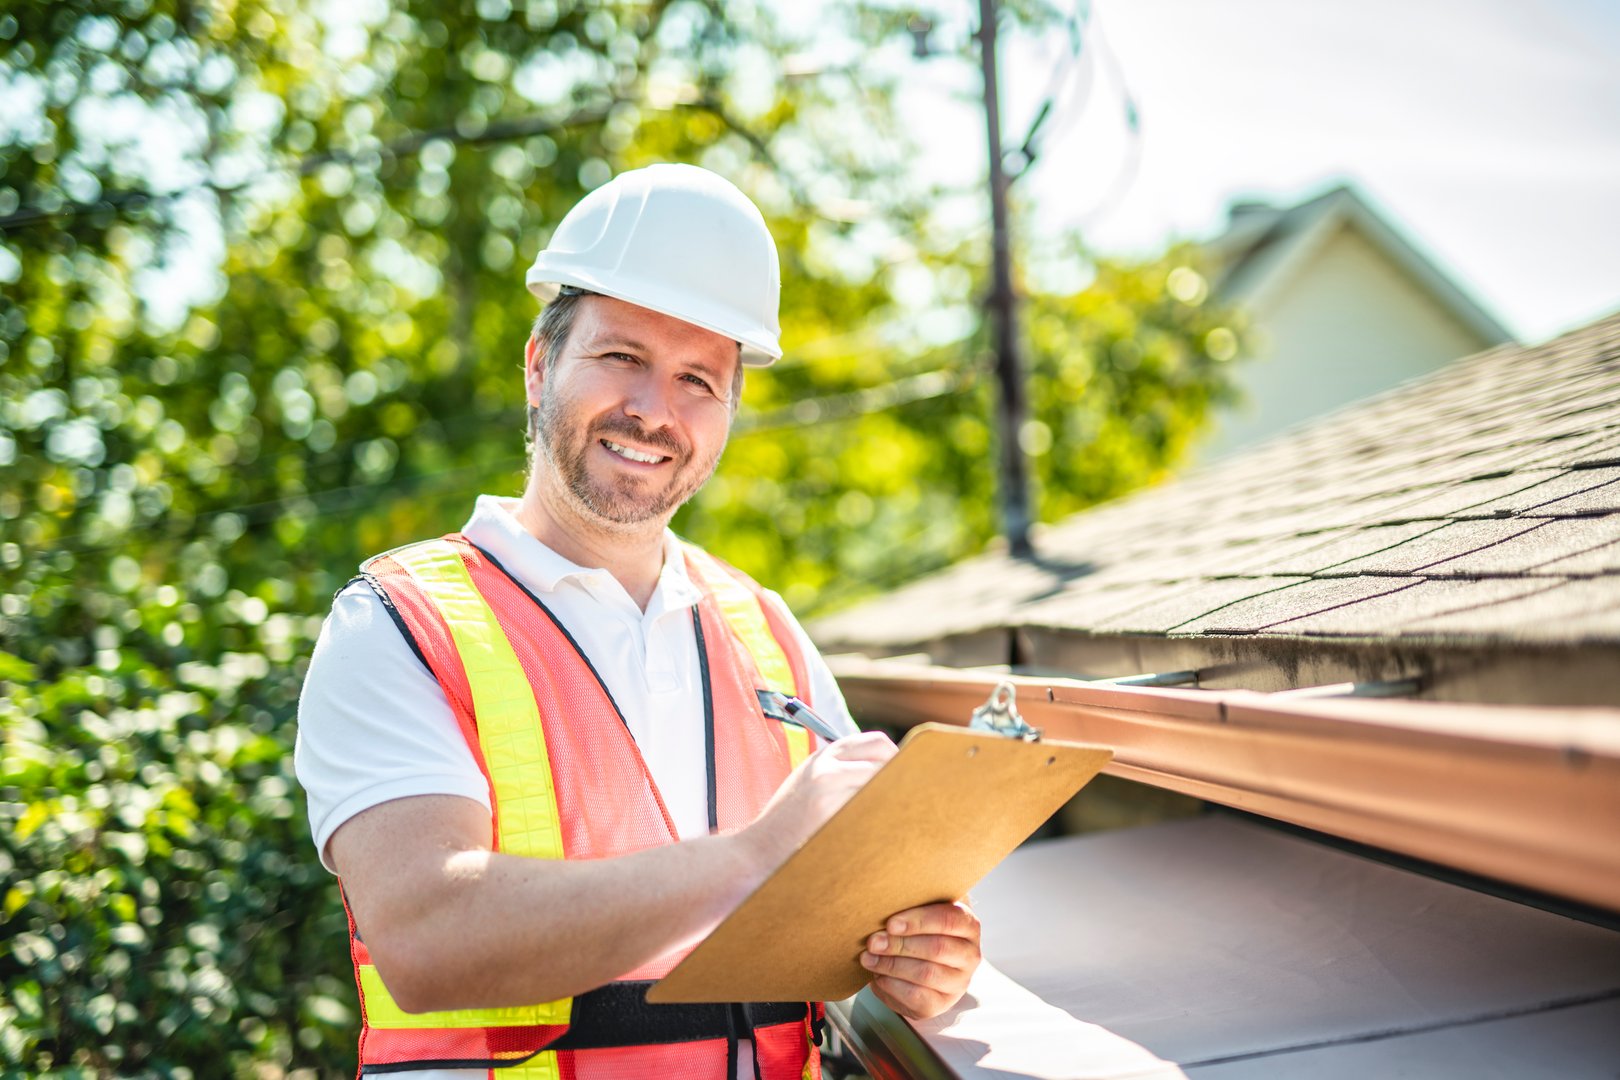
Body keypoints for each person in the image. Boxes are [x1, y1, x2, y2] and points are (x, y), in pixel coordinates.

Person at [295, 163, 981, 1079]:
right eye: (621, 358)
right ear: (540, 367)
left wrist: (919, 959)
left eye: (698, 378)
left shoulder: (766, 632)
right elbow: (427, 937)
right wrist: (754, 856)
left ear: (731, 410)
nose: (654, 411)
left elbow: (861, 915)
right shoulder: (399, 626)